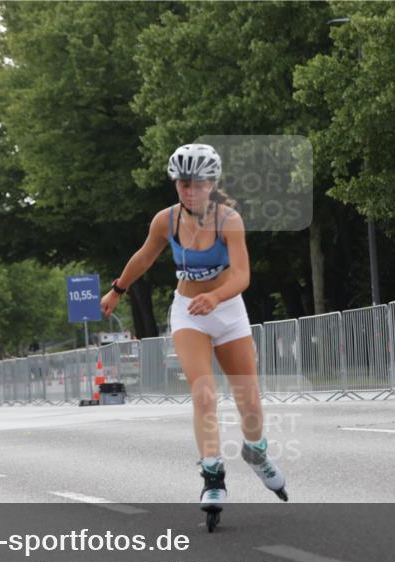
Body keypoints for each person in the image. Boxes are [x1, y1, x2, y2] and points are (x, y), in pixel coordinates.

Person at [100, 143, 287, 528]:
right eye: (183, 183)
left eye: (198, 184)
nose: (190, 191)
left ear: (212, 184)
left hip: (228, 310)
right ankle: (213, 475)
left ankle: (257, 451)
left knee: (248, 400)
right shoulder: (164, 221)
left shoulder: (228, 220)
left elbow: (241, 276)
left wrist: (215, 297)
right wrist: (117, 289)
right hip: (189, 313)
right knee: (203, 392)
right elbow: (144, 257)